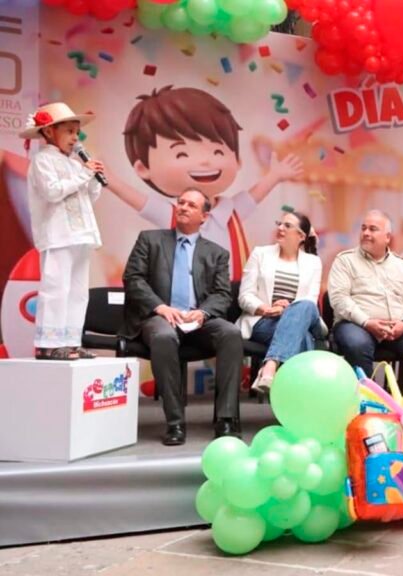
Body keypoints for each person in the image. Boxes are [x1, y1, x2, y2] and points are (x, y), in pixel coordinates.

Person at [110, 86, 304, 280]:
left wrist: (275, 175)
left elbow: (255, 195)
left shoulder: (231, 212)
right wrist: (109, 180)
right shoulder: (172, 214)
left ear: (237, 161)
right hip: (189, 297)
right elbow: (138, 200)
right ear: (144, 168)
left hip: (232, 292)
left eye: (217, 152)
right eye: (182, 153)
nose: (205, 161)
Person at [121, 190, 242, 445]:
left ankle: (226, 418)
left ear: (204, 216)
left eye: (191, 205)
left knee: (231, 333)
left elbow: (222, 294)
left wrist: (204, 312)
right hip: (161, 317)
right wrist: (160, 307)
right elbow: (133, 279)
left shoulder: (217, 253)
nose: (183, 207)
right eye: (181, 203)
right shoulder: (150, 239)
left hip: (199, 320)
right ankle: (175, 422)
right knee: (164, 336)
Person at [21, 103, 105, 360]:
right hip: (58, 235)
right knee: (55, 288)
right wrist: (83, 174)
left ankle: (70, 341)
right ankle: (48, 343)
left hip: (81, 234)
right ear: (48, 132)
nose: (74, 138)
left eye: (77, 133)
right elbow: (53, 191)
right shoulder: (42, 160)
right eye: (69, 131)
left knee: (78, 291)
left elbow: (88, 198)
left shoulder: (74, 163)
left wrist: (92, 178)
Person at [330, 210, 403, 377]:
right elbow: (339, 299)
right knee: (357, 344)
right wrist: (367, 322)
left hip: (398, 328)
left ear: (387, 237)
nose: (366, 233)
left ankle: (399, 399)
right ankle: (366, 400)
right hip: (356, 324)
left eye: (372, 229)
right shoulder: (344, 261)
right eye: (363, 228)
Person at [237, 211, 326, 394]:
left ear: (301, 236)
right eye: (280, 223)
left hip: (305, 320)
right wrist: (267, 309)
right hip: (264, 321)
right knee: (303, 339)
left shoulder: (313, 262)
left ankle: (270, 365)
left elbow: (310, 300)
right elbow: (245, 296)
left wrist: (289, 311)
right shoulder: (260, 254)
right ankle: (301, 404)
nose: (280, 228)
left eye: (287, 225)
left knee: (305, 307)